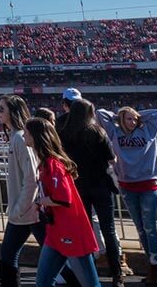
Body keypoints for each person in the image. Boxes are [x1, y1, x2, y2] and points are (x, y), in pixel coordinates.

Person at [25, 118, 102, 287]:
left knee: (90, 283)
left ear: (36, 136)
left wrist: (38, 202)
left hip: (70, 230)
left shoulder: (53, 164)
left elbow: (62, 198)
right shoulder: (45, 164)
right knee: (43, 282)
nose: (24, 135)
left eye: (27, 132)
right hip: (55, 230)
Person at [58, 99, 126, 285]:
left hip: (79, 187)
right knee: (108, 230)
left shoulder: (65, 134)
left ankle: (88, 272)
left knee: (84, 232)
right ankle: (117, 274)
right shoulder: (97, 132)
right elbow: (111, 160)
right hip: (101, 187)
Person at [97, 106, 157, 285]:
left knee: (150, 227)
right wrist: (119, 116)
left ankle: (156, 264)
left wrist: (136, 115)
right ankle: (152, 265)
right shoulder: (114, 133)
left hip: (148, 185)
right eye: (129, 119)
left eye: (134, 119)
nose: (133, 122)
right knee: (141, 228)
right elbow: (100, 114)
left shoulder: (147, 132)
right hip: (127, 187)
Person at [0, 95, 44, 287]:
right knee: (8, 256)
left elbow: (31, 177)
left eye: (1, 109)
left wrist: (19, 208)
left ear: (13, 112)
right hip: (25, 211)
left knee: (54, 257)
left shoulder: (20, 138)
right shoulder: (18, 137)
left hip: (28, 211)